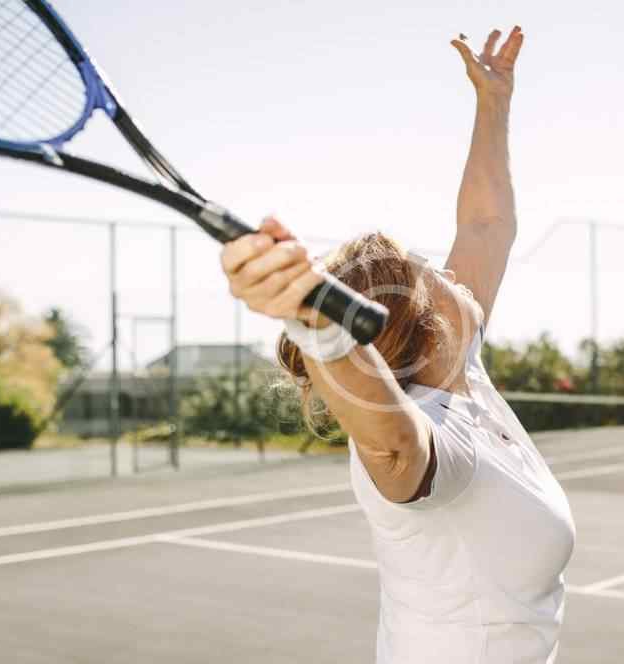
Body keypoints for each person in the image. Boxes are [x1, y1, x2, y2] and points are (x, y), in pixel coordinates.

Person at [221, 26, 575, 664]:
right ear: (427, 328)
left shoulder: (463, 377)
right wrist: (313, 320)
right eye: (431, 273)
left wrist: (493, 103)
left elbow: (486, 224)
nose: (450, 271)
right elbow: (392, 444)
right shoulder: (435, 440)